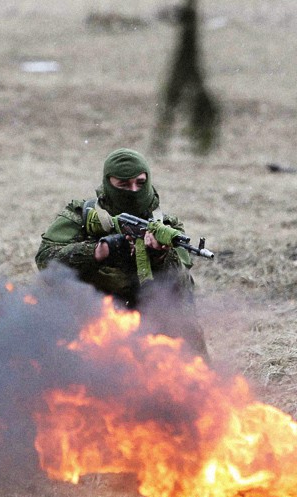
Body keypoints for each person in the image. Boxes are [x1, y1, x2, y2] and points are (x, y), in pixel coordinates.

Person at [36, 148, 208, 357]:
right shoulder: (80, 217)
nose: (134, 190)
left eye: (140, 183)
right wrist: (97, 252)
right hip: (89, 317)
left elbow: (180, 286)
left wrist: (159, 256)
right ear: (109, 183)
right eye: (124, 185)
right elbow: (46, 261)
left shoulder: (166, 227)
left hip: (147, 319)